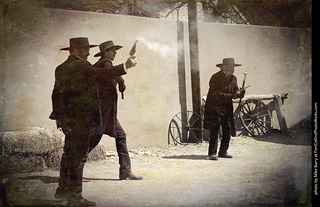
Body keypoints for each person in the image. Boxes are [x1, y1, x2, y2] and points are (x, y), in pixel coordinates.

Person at [49, 37, 137, 206]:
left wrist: (59, 118)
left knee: (69, 154)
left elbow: (56, 94)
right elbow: (101, 73)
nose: (89, 53)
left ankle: (62, 190)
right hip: (81, 118)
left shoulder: (60, 68)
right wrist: (125, 66)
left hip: (68, 119)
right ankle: (74, 198)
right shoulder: (81, 66)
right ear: (76, 50)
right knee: (79, 157)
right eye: (85, 49)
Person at [88, 40, 142, 180]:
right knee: (90, 142)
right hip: (102, 114)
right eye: (113, 50)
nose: (115, 52)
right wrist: (122, 81)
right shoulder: (105, 62)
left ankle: (125, 171)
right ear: (106, 52)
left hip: (107, 113)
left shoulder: (103, 64)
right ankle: (72, 168)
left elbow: (110, 73)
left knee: (121, 136)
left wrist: (120, 81)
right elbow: (109, 71)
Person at [203, 58, 245, 161]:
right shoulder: (215, 78)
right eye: (229, 67)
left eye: (232, 68)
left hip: (226, 108)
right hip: (214, 107)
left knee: (227, 129)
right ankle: (212, 153)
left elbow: (235, 92)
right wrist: (232, 95)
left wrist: (240, 93)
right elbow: (216, 94)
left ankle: (223, 151)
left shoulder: (234, 79)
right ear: (223, 68)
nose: (231, 69)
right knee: (215, 129)